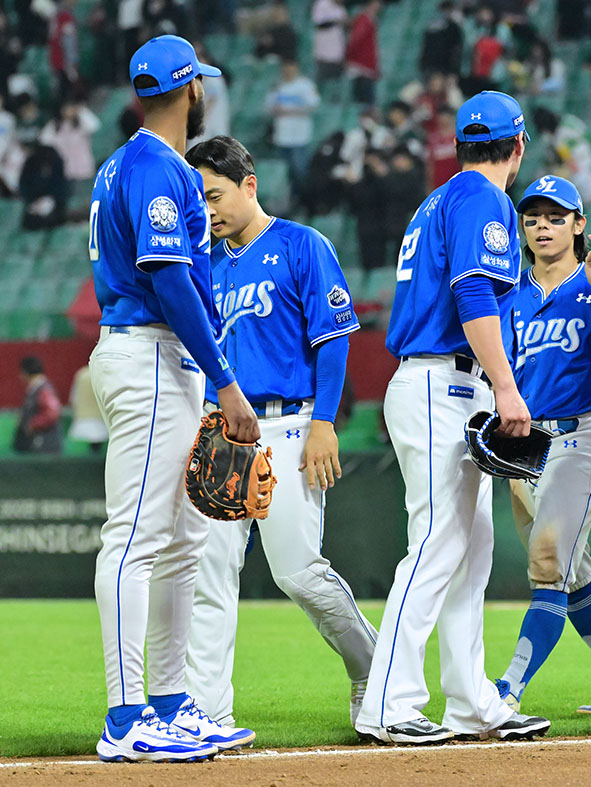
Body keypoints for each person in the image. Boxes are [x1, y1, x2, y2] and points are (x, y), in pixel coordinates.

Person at [355, 90, 550, 746]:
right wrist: (507, 386)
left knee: (471, 549)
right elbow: (471, 290)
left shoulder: (438, 199)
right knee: (439, 542)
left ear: (462, 144)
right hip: (444, 381)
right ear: (517, 147)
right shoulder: (481, 198)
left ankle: (471, 702)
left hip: (441, 382)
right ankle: (389, 700)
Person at [89, 34, 259, 763]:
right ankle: (127, 717)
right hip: (152, 352)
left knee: (184, 541)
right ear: (194, 90)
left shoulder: (124, 163)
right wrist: (224, 377)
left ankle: (169, 701)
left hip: (162, 357)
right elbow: (167, 278)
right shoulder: (157, 167)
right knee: (134, 538)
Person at [180, 134, 379, 729]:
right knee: (210, 575)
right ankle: (207, 713)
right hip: (223, 434)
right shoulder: (204, 267)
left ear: (250, 184)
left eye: (214, 195)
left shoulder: (300, 245)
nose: (207, 210)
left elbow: (334, 337)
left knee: (296, 570)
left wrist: (323, 420)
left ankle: (373, 668)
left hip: (291, 423)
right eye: (198, 199)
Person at [491, 175, 591, 716]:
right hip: (523, 450)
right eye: (533, 217)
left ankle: (507, 687)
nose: (542, 226)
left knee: (546, 563)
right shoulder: (511, 296)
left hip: (580, 439)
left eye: (556, 217)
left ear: (579, 226)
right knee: (571, 573)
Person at [267, 59, 319, 206]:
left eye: (289, 66)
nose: (286, 70)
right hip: (281, 136)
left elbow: (313, 106)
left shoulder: (305, 85)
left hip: (299, 136)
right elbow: (269, 107)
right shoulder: (277, 86)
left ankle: (305, 201)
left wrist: (291, 111)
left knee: (300, 171)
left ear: (296, 67)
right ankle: (290, 202)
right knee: (285, 174)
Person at [14, 356, 62, 454]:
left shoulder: (43, 389)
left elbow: (52, 412)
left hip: (44, 444)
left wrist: (32, 425)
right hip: (40, 444)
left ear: (25, 372)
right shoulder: (36, 388)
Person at [345, 0, 381, 105]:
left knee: (366, 98)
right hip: (361, 64)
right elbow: (356, 40)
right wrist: (349, 56)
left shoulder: (370, 19)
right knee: (364, 101)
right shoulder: (363, 19)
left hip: (367, 63)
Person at [67, 364, 107, 452]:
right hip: (101, 427)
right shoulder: (105, 375)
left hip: (81, 426)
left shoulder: (81, 375)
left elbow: (73, 400)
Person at [311, 0, 348, 84]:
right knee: (324, 84)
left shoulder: (341, 8)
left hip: (338, 55)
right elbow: (319, 24)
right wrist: (336, 22)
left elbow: (344, 28)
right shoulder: (321, 4)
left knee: (335, 86)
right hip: (324, 55)